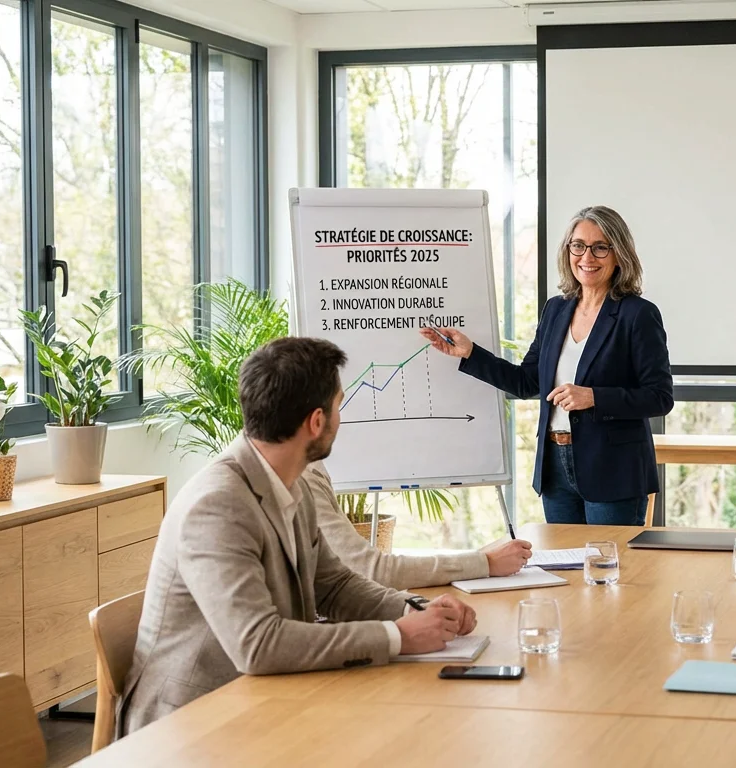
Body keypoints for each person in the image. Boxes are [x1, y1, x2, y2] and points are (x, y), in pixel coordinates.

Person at [119, 337, 477, 735]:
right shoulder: (217, 505)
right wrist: (396, 637)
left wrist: (414, 610)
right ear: (317, 422)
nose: (342, 417)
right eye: (340, 405)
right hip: (189, 724)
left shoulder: (292, 481)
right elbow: (257, 645)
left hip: (265, 697)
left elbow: (334, 585)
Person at [422, 206, 673, 525]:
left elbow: (660, 397)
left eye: (600, 247)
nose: (587, 257)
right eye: (578, 245)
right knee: (564, 570)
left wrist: (593, 397)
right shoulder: (556, 309)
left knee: (607, 571)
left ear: (619, 253)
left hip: (614, 471)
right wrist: (471, 353)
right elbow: (527, 382)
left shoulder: (638, 314)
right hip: (555, 468)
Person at [303, 461, 535, 586]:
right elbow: (371, 571)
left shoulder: (310, 465)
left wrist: (409, 608)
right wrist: (484, 563)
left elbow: (339, 581)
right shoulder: (303, 477)